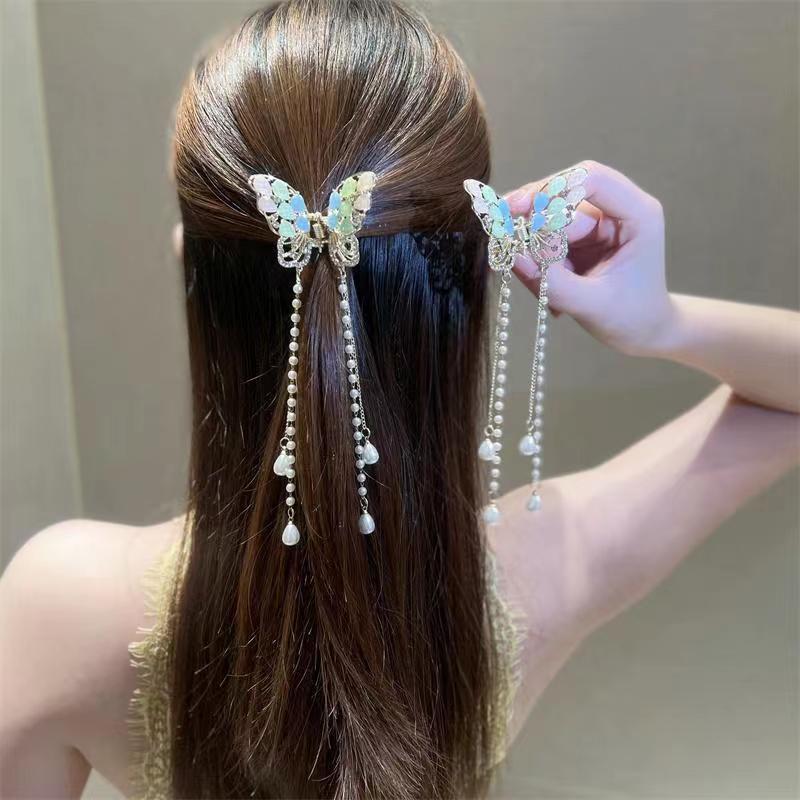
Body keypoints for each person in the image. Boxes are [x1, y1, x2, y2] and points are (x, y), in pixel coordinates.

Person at [1, 1, 797, 798]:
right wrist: (662, 321)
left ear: (194, 269)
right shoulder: (549, 568)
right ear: (473, 273)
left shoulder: (61, 605)